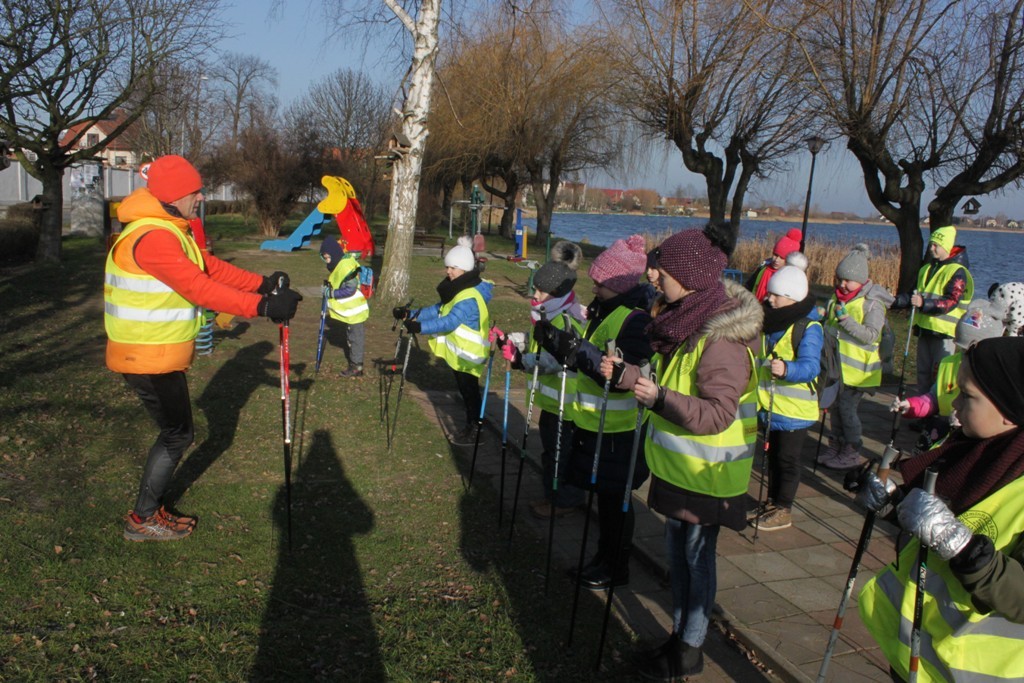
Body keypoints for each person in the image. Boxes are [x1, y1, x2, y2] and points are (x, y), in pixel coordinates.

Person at [105, 155, 301, 542]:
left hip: (154, 353)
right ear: (175, 194)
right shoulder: (153, 237)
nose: (200, 196)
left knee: (176, 433)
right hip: (146, 356)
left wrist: (262, 284)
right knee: (177, 435)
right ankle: (143, 520)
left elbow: (207, 268)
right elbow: (198, 288)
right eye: (195, 191)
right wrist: (262, 307)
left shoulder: (167, 229)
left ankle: (149, 512)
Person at [601, 223, 763, 679]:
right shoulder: (691, 318)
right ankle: (679, 637)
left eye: (662, 270)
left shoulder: (721, 338)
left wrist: (653, 396)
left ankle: (690, 649)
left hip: (708, 477)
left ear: (690, 276)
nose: (653, 277)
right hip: (684, 470)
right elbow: (677, 380)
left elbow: (717, 414)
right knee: (680, 559)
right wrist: (630, 373)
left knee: (695, 561)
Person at [855, 336, 1024, 682]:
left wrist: (964, 549)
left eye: (967, 396)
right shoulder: (974, 451)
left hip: (975, 669)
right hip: (919, 649)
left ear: (1009, 411)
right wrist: (894, 504)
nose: (954, 406)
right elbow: (939, 519)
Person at [535, 234, 653, 591]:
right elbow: (590, 354)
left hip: (620, 431)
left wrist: (573, 348)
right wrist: (559, 344)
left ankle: (615, 565)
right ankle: (605, 558)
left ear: (621, 284)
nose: (594, 286)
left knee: (617, 505)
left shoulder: (634, 321)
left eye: (601, 283)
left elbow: (621, 374)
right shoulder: (606, 310)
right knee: (606, 501)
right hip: (598, 425)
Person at [495, 241, 587, 519]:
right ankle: (555, 495)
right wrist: (510, 340)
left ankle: (564, 500)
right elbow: (538, 342)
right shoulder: (550, 312)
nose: (534, 294)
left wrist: (519, 360)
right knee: (551, 452)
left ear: (556, 292)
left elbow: (554, 359)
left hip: (565, 403)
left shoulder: (567, 320)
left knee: (561, 455)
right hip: (551, 399)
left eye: (540, 290)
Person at [394, 236, 493, 445]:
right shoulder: (459, 289)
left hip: (469, 354)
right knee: (467, 391)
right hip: (461, 353)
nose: (448, 271)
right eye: (448, 267)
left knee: (469, 392)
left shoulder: (468, 297)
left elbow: (449, 321)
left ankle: (475, 429)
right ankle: (473, 424)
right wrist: (410, 314)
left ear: (465, 269)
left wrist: (420, 327)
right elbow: (438, 310)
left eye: (453, 268)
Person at [750, 262, 822, 531]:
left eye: (775, 295)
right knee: (772, 458)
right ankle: (772, 501)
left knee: (787, 461)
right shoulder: (771, 322)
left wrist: (788, 369)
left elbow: (811, 365)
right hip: (770, 406)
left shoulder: (809, 327)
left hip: (794, 410)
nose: (768, 298)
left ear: (791, 297)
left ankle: (784, 509)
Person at [817, 243, 895, 471]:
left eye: (847, 281)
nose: (842, 284)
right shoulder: (837, 298)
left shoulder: (872, 304)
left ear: (861, 281)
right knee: (834, 411)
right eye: (839, 279)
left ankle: (852, 450)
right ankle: (836, 445)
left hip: (858, 373)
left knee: (847, 412)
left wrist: (845, 321)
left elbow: (871, 335)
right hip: (835, 369)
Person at [890, 300, 1005, 449]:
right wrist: (911, 406)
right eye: (962, 348)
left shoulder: (1001, 376)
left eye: (973, 350)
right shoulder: (949, 364)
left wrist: (967, 419)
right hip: (943, 442)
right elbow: (934, 399)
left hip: (977, 448)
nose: (965, 355)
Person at [892, 225, 974, 399]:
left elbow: (951, 300)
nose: (932, 248)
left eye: (936, 245)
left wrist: (924, 303)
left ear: (947, 246)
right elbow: (915, 294)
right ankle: (921, 412)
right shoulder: (926, 269)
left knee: (939, 375)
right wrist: (895, 301)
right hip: (924, 328)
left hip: (944, 333)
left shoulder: (958, 271)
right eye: (931, 244)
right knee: (922, 373)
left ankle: (937, 415)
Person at [319, 236, 369, 377]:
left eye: (328, 257)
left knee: (355, 339)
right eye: (325, 258)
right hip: (351, 311)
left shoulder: (346, 266)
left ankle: (356, 367)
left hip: (356, 310)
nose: (327, 261)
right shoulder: (340, 263)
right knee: (351, 337)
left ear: (334, 254)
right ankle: (355, 363)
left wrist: (332, 293)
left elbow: (350, 289)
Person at [744, 227, 803, 302]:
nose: (776, 260)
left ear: (789, 260)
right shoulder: (763, 269)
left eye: (782, 257)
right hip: (754, 306)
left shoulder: (790, 278)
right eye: (775, 255)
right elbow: (748, 286)